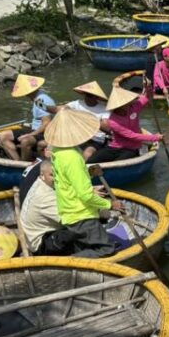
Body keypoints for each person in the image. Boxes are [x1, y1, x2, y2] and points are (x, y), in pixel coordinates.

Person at [46, 109, 122, 258]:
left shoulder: (59, 151)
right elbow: (86, 195)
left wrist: (88, 173)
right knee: (107, 250)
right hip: (81, 214)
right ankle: (70, 263)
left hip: (68, 211)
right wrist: (110, 205)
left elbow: (68, 177)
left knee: (84, 247)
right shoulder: (72, 156)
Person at [88, 85, 162, 163]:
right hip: (115, 147)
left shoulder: (134, 106)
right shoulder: (113, 121)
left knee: (118, 162)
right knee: (91, 161)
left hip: (132, 148)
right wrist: (154, 137)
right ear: (118, 106)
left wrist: (149, 88)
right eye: (125, 103)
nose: (129, 104)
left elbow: (146, 97)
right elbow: (131, 135)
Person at [19, 160, 75, 255]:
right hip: (40, 245)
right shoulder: (46, 197)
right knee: (83, 228)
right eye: (52, 175)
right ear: (42, 174)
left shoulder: (39, 182)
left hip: (34, 234)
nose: (58, 179)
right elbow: (73, 220)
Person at [0, 74, 55, 161]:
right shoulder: (37, 97)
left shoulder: (42, 100)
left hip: (45, 133)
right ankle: (17, 162)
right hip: (35, 129)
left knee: (26, 141)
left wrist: (30, 134)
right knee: (3, 135)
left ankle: (25, 164)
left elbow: (47, 123)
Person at [64, 81, 111, 161]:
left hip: (96, 140)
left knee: (87, 153)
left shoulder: (104, 109)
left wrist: (87, 119)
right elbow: (61, 109)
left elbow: (107, 127)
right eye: (86, 94)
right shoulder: (77, 103)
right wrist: (44, 106)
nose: (87, 97)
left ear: (96, 97)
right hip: (77, 136)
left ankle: (85, 172)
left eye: (90, 95)